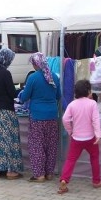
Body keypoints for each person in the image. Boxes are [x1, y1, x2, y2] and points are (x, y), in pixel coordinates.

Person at [19, 52, 61, 182]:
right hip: (52, 115)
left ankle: (39, 174)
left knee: (37, 145)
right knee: (51, 145)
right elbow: (58, 96)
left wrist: (21, 96)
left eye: (33, 63)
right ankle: (49, 173)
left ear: (37, 64)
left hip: (37, 116)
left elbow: (25, 97)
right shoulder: (54, 76)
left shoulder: (33, 78)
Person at [58, 80, 101, 194]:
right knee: (94, 158)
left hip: (76, 138)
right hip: (91, 138)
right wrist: (98, 135)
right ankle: (96, 181)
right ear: (89, 91)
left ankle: (64, 179)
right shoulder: (92, 103)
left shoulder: (72, 104)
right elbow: (95, 120)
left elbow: (65, 119)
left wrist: (70, 131)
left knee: (70, 160)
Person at [0, 48, 24, 179]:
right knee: (8, 140)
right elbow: (12, 93)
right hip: (4, 110)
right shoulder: (5, 73)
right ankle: (10, 171)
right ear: (6, 59)